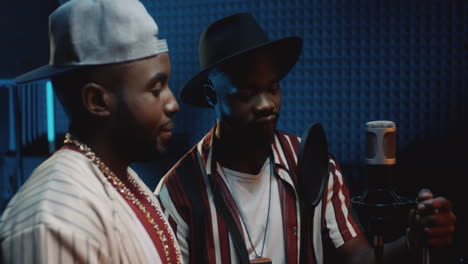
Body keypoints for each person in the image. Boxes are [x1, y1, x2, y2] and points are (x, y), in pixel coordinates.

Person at [155, 13, 456, 264]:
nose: (265, 105)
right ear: (211, 95)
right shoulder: (177, 191)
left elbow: (359, 258)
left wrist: (413, 241)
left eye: (272, 88)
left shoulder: (312, 163)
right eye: (247, 92)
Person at [0, 0, 182, 263]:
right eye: (156, 89)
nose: (173, 104)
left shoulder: (123, 179)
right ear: (97, 101)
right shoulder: (56, 218)